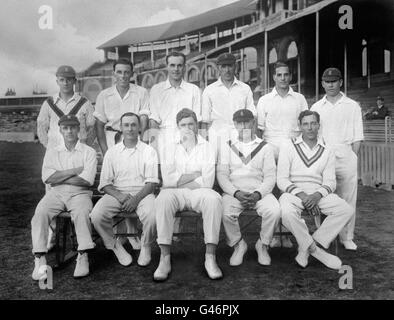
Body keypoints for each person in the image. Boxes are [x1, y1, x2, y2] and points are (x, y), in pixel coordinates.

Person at [277, 110, 353, 270]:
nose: (309, 127)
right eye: (305, 124)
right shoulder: (288, 145)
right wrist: (304, 196)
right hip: (294, 193)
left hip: (318, 192)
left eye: (313, 123)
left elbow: (330, 182)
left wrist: (316, 196)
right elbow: (282, 179)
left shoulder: (327, 149)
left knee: (345, 210)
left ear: (319, 125)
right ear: (299, 126)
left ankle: (307, 247)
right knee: (286, 212)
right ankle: (315, 250)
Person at [153, 108, 223, 282]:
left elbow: (207, 182)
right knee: (163, 199)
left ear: (196, 125)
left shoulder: (207, 146)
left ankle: (210, 258)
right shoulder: (168, 147)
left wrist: (180, 180)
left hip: (200, 192)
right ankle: (164, 258)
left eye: (191, 124)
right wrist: (195, 175)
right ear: (177, 126)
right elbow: (167, 180)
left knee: (214, 199)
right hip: (175, 193)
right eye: (183, 124)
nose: (187, 128)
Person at [36, 65, 96, 251]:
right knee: (52, 196)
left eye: (69, 79)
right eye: (62, 79)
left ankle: (81, 240)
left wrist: (84, 146)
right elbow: (41, 128)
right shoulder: (48, 103)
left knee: (77, 195)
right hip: (56, 155)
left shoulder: (84, 102)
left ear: (74, 81)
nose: (65, 83)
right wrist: (53, 149)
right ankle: (52, 236)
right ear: (57, 81)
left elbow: (92, 128)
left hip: (79, 153)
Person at [31, 115, 97, 280]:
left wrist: (59, 175)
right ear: (60, 130)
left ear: (78, 129)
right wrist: (74, 170)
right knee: (40, 213)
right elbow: (47, 178)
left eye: (73, 127)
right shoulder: (53, 151)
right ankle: (40, 258)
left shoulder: (88, 151)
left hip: (80, 192)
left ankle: (83, 255)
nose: (69, 131)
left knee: (82, 213)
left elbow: (86, 180)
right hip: (56, 193)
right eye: (65, 128)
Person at [94, 58, 150, 249]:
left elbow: (143, 117)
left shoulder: (141, 92)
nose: (123, 76)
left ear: (132, 73)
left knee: (134, 179)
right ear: (114, 73)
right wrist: (104, 150)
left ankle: (132, 234)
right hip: (112, 139)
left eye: (127, 72)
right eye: (119, 72)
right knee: (117, 182)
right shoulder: (104, 95)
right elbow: (99, 125)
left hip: (133, 137)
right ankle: (119, 236)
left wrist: (139, 141)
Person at [90, 112, 159, 267]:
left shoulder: (149, 151)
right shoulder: (112, 152)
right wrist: (120, 196)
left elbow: (151, 183)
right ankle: (115, 246)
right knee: (96, 215)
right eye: (126, 125)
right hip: (118, 193)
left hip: (143, 193)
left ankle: (146, 245)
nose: (130, 128)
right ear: (120, 128)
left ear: (140, 127)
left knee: (153, 216)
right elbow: (106, 183)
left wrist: (135, 199)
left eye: (134, 124)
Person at [217, 109, 280, 266]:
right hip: (234, 193)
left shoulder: (265, 147)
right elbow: (222, 175)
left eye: (247, 121)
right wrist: (236, 193)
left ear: (253, 122)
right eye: (239, 122)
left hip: (259, 192)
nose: (244, 125)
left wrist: (258, 194)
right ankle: (239, 244)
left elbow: (271, 177)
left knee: (274, 210)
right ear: (235, 124)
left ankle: (263, 245)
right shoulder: (227, 147)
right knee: (225, 213)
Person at [256, 61, 308, 248]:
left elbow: (304, 126)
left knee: (289, 192)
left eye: (286, 74)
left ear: (290, 76)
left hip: (293, 150)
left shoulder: (300, 99)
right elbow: (260, 131)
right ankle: (275, 236)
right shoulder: (264, 100)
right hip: (271, 150)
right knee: (273, 193)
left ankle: (286, 235)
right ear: (273, 77)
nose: (283, 78)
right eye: (279, 75)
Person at [311, 68, 364, 251]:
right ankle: (322, 235)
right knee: (322, 196)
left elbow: (358, 137)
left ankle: (347, 237)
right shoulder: (316, 107)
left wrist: (353, 156)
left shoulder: (352, 105)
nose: (331, 84)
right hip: (323, 155)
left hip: (345, 153)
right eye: (327, 81)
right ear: (322, 83)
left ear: (341, 82)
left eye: (334, 81)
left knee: (348, 198)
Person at [201, 52, 256, 157]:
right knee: (218, 168)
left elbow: (252, 116)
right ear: (218, 68)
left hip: (239, 135)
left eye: (230, 66)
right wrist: (204, 145)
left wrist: (251, 140)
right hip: (217, 136)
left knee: (240, 167)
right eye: (224, 66)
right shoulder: (209, 90)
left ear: (235, 66)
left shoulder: (245, 89)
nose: (227, 70)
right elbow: (204, 121)